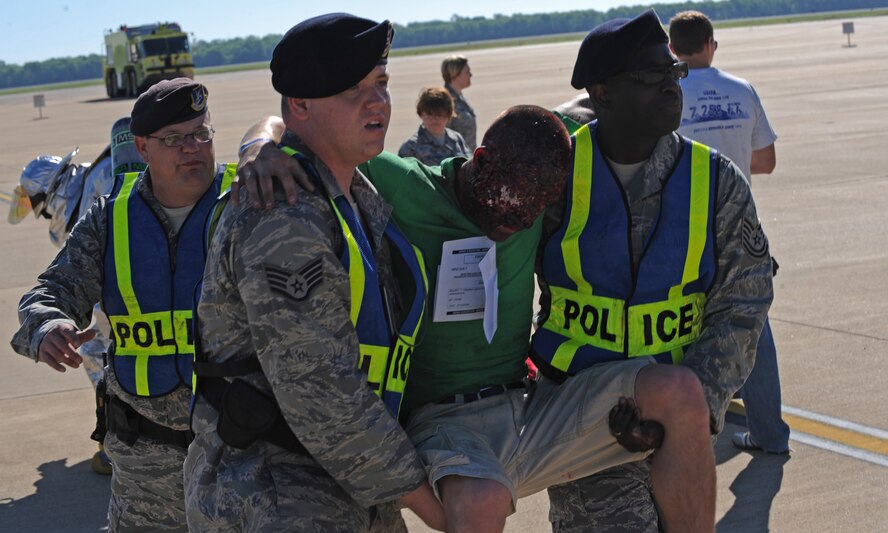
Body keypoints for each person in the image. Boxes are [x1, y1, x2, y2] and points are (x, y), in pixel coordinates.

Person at [239, 96, 719, 531]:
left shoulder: (537, 176)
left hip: (529, 407)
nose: (520, 223)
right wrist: (259, 146)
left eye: (535, 212)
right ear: (481, 160)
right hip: (446, 421)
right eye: (510, 211)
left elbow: (599, 94)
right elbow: (289, 121)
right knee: (480, 501)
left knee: (677, 391)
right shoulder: (404, 184)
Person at [183, 14, 445, 532]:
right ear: (300, 105)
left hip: (351, 481)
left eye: (382, 83)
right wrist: (437, 509)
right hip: (280, 495)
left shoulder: (349, 195)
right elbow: (319, 387)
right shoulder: (282, 212)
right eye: (353, 90)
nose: (379, 102)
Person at [533, 10, 773, 532]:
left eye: (674, 74)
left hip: (682, 417)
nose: (671, 88)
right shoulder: (554, 173)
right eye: (652, 78)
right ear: (603, 94)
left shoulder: (716, 181)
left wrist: (691, 412)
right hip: (584, 418)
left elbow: (744, 303)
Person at [11, 78, 237, 531]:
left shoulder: (247, 204)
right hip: (144, 469)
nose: (193, 148)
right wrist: (48, 326)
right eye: (175, 139)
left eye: (202, 134)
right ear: (142, 147)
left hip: (240, 457)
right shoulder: (110, 217)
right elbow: (49, 292)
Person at [669, 9, 789, 455]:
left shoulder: (669, 93)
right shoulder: (742, 90)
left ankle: (688, 424)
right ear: (711, 43)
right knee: (753, 324)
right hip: (740, 223)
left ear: (671, 48)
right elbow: (766, 162)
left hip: (685, 227)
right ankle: (770, 434)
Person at [398, 86, 470, 165]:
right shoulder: (411, 147)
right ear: (421, 114)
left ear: (448, 115)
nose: (434, 119)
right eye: (429, 114)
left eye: (439, 115)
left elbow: (470, 167)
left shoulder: (457, 139)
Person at [441, 55, 477, 150]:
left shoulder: (460, 99)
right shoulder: (444, 102)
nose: (471, 75)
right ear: (455, 74)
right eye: (467, 72)